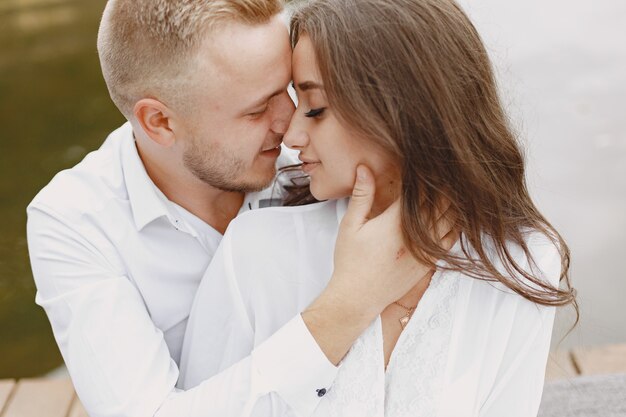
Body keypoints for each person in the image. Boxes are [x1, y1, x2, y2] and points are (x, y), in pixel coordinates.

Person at [26, 1, 446, 416]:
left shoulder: (320, 158)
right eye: (257, 109)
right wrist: (349, 303)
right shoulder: (74, 223)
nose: (290, 124)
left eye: (292, 90)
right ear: (160, 122)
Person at [180, 0, 578, 416]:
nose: (292, 135)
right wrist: (345, 305)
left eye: (314, 108)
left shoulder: (522, 259)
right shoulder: (256, 252)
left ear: (402, 110)